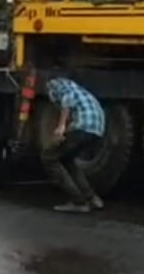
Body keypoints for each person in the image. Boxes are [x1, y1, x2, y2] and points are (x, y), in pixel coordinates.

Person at [43, 76, 106, 213]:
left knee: (49, 157)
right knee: (67, 159)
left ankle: (78, 201)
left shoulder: (56, 84)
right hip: (97, 130)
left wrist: (61, 127)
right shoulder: (80, 90)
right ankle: (92, 198)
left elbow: (67, 99)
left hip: (84, 126)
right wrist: (68, 131)